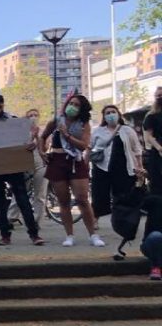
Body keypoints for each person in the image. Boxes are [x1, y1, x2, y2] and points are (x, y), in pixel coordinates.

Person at [0, 95, 44, 247]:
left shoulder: (14, 121)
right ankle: (5, 235)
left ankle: (34, 234)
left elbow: (25, 141)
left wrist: (31, 144)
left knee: (23, 200)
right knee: (0, 203)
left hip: (14, 167)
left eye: (0, 107)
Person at [40, 94, 103, 247]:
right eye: (71, 103)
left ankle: (93, 235)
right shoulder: (56, 120)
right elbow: (42, 137)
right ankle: (69, 235)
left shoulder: (84, 124)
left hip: (75, 161)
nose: (72, 106)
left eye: (76, 105)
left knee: (82, 199)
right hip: (57, 161)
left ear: (81, 109)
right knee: (63, 201)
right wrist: (42, 152)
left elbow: (83, 145)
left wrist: (66, 135)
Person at [91, 104, 145, 219]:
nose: (111, 115)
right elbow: (90, 148)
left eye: (113, 112)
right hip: (102, 168)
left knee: (122, 196)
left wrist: (139, 166)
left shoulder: (127, 130)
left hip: (122, 168)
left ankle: (122, 218)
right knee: (99, 196)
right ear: (104, 117)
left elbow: (137, 149)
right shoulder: (98, 131)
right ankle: (95, 218)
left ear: (118, 114)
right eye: (108, 113)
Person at [9, 109, 49, 227]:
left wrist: (37, 136)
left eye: (35, 115)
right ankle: (11, 217)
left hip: (40, 163)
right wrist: (30, 138)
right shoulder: (21, 132)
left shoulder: (43, 132)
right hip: (24, 163)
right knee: (20, 191)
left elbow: (45, 148)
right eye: (30, 115)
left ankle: (37, 221)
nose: (33, 117)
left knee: (40, 194)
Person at [142, 87, 162, 195]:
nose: (160, 97)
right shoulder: (151, 116)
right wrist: (159, 148)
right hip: (158, 152)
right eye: (158, 95)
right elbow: (149, 136)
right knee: (157, 183)